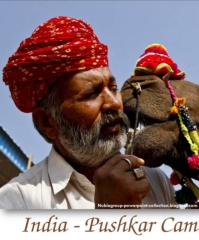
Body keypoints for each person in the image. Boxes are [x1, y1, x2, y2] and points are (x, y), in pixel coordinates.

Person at [0, 16, 176, 209]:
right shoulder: (16, 202)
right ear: (47, 122)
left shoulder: (154, 180)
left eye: (113, 87)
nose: (113, 103)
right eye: (91, 94)